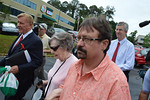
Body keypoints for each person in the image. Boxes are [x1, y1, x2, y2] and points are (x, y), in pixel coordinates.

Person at [46, 16, 131, 100]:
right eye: (79, 38)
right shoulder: (74, 67)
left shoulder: (117, 82)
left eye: (86, 39)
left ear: (104, 44)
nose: (79, 44)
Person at [0, 13, 43, 100]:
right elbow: (11, 55)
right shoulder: (21, 35)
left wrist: (19, 68)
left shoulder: (36, 41)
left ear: (30, 25)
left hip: (22, 81)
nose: (18, 25)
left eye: (21, 23)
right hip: (11, 77)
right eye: (18, 22)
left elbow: (37, 61)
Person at [37, 32, 78, 98]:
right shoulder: (59, 58)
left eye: (54, 48)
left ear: (65, 46)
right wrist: (45, 82)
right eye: (50, 48)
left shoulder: (75, 65)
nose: (51, 51)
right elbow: (58, 80)